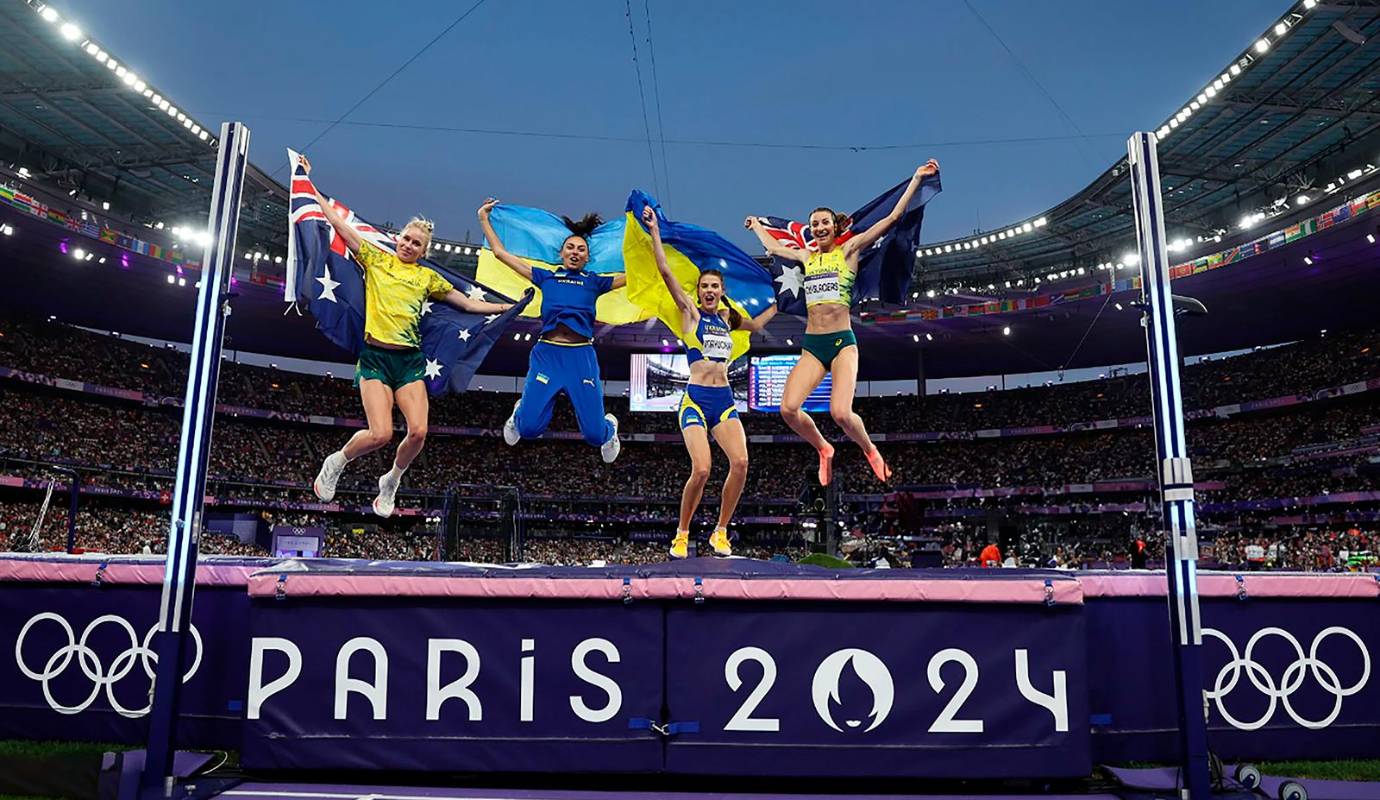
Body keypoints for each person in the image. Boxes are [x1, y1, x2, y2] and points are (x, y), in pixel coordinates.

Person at [303, 156, 516, 517]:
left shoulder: (427, 279)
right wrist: (308, 182)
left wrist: (502, 309)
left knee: (418, 432)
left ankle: (392, 481)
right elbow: (337, 222)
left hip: (409, 362)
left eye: (417, 243)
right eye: (406, 238)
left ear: (423, 251)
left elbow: (464, 303)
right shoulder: (375, 258)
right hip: (375, 359)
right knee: (381, 434)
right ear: (398, 238)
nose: (409, 245)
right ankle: (336, 461)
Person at [745, 160, 940, 486]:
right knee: (788, 409)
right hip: (812, 346)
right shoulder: (808, 257)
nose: (819, 227)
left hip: (841, 343)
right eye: (814, 224)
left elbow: (891, 218)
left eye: (824, 222)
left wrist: (917, 180)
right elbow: (774, 248)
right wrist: (756, 226)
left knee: (840, 412)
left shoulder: (849, 249)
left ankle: (870, 449)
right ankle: (824, 449)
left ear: (834, 227)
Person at [640, 205, 778, 559]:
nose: (710, 291)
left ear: (722, 290)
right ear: (699, 291)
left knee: (742, 463)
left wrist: (784, 299)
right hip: (696, 400)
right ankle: (682, 534)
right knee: (701, 469)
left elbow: (758, 325)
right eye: (704, 286)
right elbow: (666, 271)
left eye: (715, 286)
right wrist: (656, 231)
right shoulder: (690, 315)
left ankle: (720, 532)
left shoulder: (730, 318)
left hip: (725, 402)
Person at [477, 198, 624, 462]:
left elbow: (639, 276)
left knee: (594, 435)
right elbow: (501, 254)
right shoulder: (546, 276)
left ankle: (610, 428)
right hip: (547, 354)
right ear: (562, 253)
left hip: (581, 357)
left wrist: (655, 239)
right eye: (570, 247)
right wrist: (484, 219)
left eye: (581, 249)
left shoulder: (595, 282)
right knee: (529, 429)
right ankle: (520, 411)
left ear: (588, 257)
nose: (575, 252)